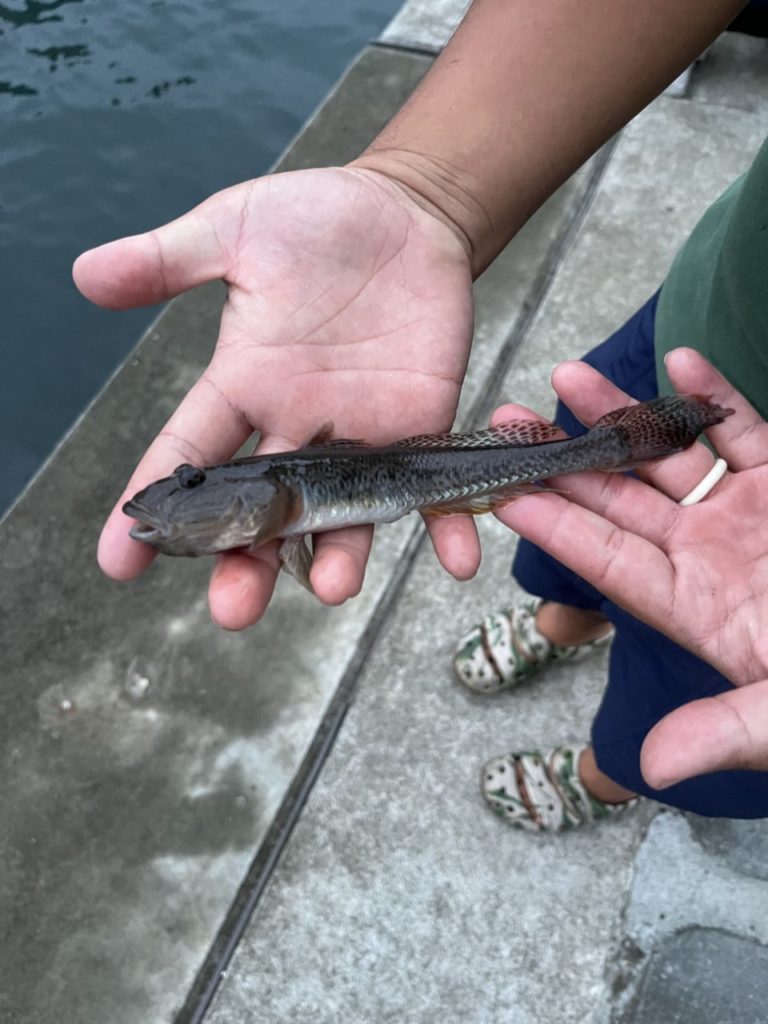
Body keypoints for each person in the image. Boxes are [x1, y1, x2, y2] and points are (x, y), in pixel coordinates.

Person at [73, 0, 768, 829]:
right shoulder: (274, 497)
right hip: (723, 296)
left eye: (198, 489)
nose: (189, 488)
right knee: (586, 523)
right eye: (199, 484)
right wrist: (420, 187)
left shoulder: (280, 505)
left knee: (682, 669)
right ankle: (567, 619)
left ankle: (602, 777)